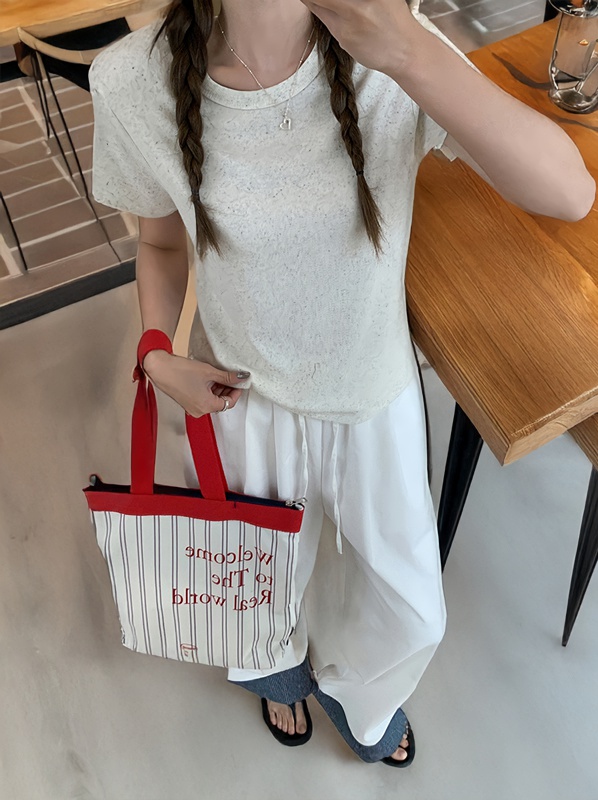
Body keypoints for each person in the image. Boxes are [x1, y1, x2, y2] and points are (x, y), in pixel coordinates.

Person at [88, 0, 595, 767]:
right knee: (256, 578)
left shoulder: (392, 48)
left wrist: (410, 53)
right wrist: (157, 355)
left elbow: (567, 192)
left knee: (412, 608)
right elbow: (159, 244)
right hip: (236, 394)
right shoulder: (132, 79)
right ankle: (274, 672)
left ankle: (361, 697)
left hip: (371, 389)